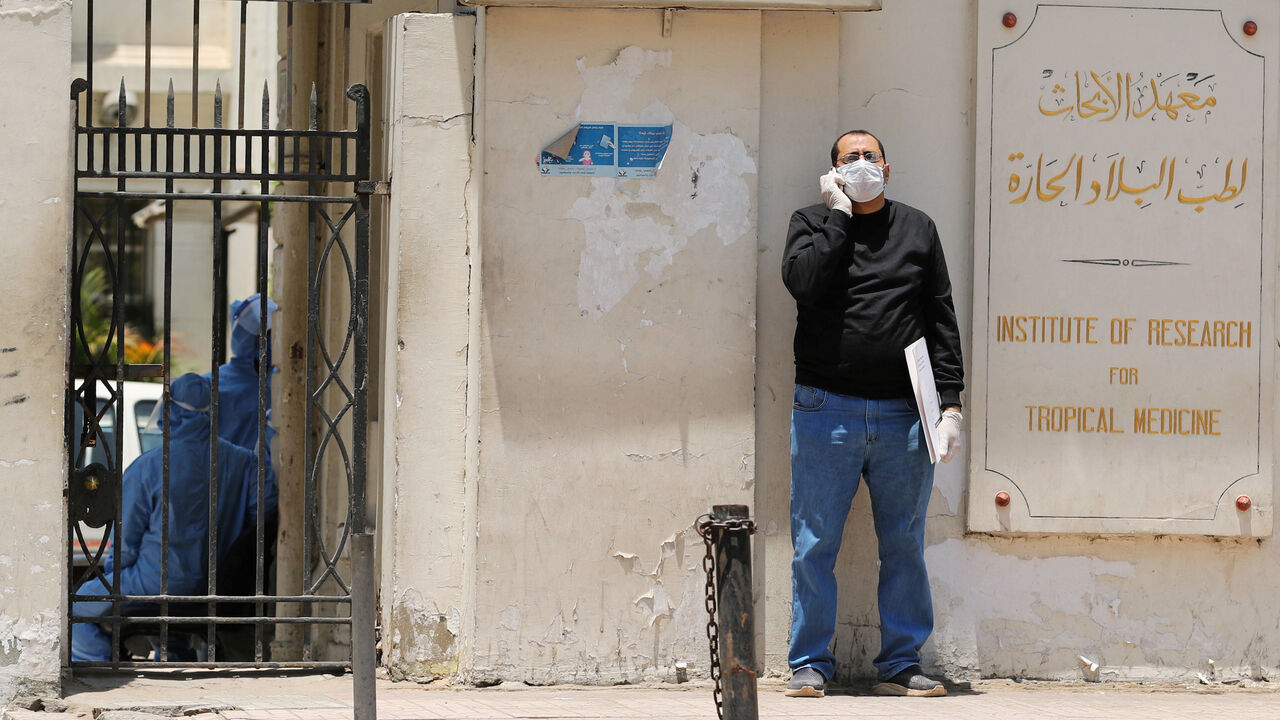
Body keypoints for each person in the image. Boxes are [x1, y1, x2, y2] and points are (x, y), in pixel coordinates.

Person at [781, 130, 964, 698]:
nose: (861, 164)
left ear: (888, 165)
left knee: (904, 544)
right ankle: (809, 663)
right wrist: (839, 216)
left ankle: (901, 664)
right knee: (815, 543)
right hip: (823, 408)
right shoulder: (811, 223)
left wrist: (951, 403)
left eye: (869, 156)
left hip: (904, 413)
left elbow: (939, 316)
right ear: (832, 171)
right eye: (848, 158)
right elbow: (804, 284)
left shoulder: (917, 228)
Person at [70, 373, 266, 662]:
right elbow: (259, 524)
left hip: (153, 583)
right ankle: (176, 658)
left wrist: (114, 584)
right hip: (217, 587)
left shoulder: (149, 466)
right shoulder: (246, 463)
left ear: (169, 409)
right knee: (170, 627)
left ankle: (99, 666)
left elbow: (125, 544)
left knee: (76, 605)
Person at [208, 293, 278, 516]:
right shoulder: (210, 386)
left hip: (268, 501)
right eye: (266, 336)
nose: (272, 343)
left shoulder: (282, 384)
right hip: (223, 496)